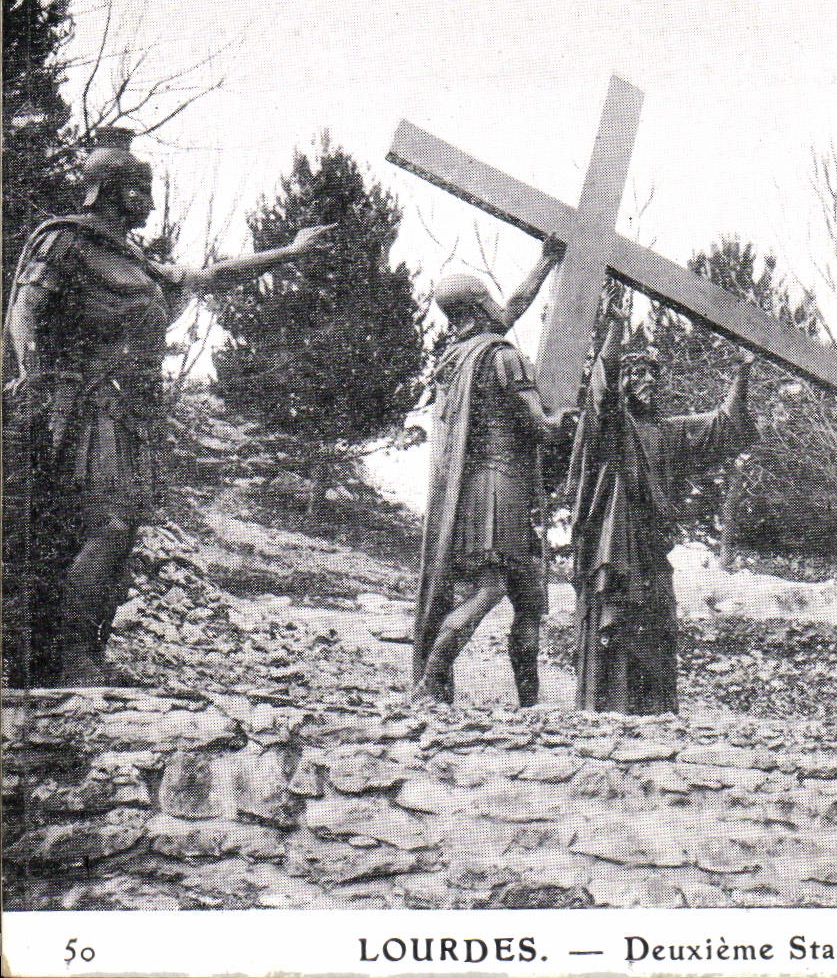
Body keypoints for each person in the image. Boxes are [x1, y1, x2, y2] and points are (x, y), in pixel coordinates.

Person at [3, 128, 332, 687]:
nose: (151, 206)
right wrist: (33, 374)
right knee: (104, 526)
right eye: (141, 192)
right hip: (81, 410)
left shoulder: (137, 263)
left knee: (119, 530)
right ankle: (68, 660)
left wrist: (290, 252)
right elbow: (25, 308)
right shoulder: (65, 241)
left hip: (129, 415)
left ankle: (81, 655)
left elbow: (214, 276)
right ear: (111, 190)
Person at [567, 297, 759, 714]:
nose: (648, 381)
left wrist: (742, 372)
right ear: (623, 382)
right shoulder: (612, 426)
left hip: (652, 548)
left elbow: (724, 425)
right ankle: (607, 712)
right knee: (616, 624)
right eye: (637, 374)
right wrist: (615, 330)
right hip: (616, 545)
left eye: (653, 374)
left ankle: (654, 714)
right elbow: (600, 393)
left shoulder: (670, 433)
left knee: (655, 626)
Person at [411, 239, 572, 705]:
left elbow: (511, 308)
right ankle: (428, 686)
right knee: (491, 589)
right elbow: (541, 427)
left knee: (529, 597)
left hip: (478, 489)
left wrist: (545, 263)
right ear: (481, 305)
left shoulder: (457, 358)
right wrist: (566, 421)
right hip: (502, 490)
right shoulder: (503, 356)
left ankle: (530, 703)